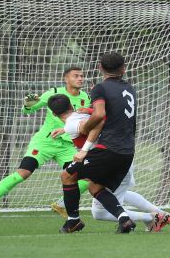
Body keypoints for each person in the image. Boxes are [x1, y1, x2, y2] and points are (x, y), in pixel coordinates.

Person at [0, 67, 90, 218]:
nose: (80, 78)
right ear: (66, 79)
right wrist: (28, 103)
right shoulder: (53, 93)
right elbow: (28, 110)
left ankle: (60, 204)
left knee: (87, 177)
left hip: (66, 146)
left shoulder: (85, 97)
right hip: (44, 142)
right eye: (76, 76)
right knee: (24, 172)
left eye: (81, 76)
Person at [48, 97, 170, 232]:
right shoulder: (81, 115)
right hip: (119, 157)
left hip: (108, 159)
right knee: (101, 188)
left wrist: (82, 147)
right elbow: (93, 121)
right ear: (71, 106)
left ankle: (152, 217)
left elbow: (92, 123)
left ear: (54, 114)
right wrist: (65, 129)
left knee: (99, 212)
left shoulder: (73, 123)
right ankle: (160, 213)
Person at [59, 52, 137, 233]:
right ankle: (124, 219)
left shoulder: (100, 88)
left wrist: (85, 130)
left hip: (109, 149)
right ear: (123, 69)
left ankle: (73, 221)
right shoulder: (129, 88)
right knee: (95, 186)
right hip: (127, 151)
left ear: (100, 68)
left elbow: (100, 115)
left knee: (66, 176)